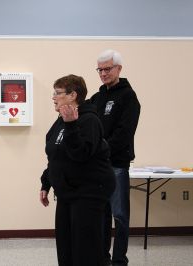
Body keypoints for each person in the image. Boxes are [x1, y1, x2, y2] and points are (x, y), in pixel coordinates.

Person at [40, 74, 115, 266]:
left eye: (58, 93)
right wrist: (46, 183)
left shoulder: (89, 120)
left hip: (88, 193)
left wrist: (71, 125)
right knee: (66, 248)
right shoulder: (60, 121)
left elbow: (81, 154)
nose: (54, 97)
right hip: (67, 194)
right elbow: (55, 156)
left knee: (86, 251)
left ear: (73, 95)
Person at [91, 49, 141, 266]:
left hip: (117, 165)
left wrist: (101, 149)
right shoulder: (97, 97)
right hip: (98, 166)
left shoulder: (128, 96)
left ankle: (120, 260)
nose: (103, 73)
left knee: (119, 217)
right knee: (102, 215)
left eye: (107, 69)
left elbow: (124, 133)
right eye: (100, 70)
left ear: (119, 68)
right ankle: (103, 258)